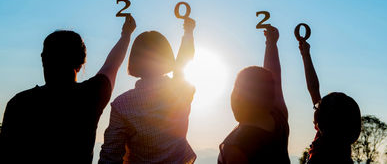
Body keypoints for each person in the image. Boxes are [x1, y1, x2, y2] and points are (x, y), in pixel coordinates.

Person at [0, 15, 136, 164]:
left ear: (43, 59)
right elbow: (112, 65)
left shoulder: (19, 104)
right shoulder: (91, 96)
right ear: (80, 62)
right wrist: (126, 34)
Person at [99, 18, 197, 164]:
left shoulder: (121, 105)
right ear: (167, 58)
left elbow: (110, 157)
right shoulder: (181, 91)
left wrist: (126, 33)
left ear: (134, 60)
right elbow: (183, 61)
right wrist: (188, 32)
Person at [218, 25, 290, 164]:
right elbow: (274, 78)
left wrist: (271, 43)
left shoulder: (236, 148)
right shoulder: (279, 119)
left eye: (236, 89)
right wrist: (271, 43)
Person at [298, 40, 361, 164]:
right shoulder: (339, 142)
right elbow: (314, 89)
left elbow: (314, 91)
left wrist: (306, 55)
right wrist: (306, 55)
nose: (316, 106)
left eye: (318, 108)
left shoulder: (320, 155)